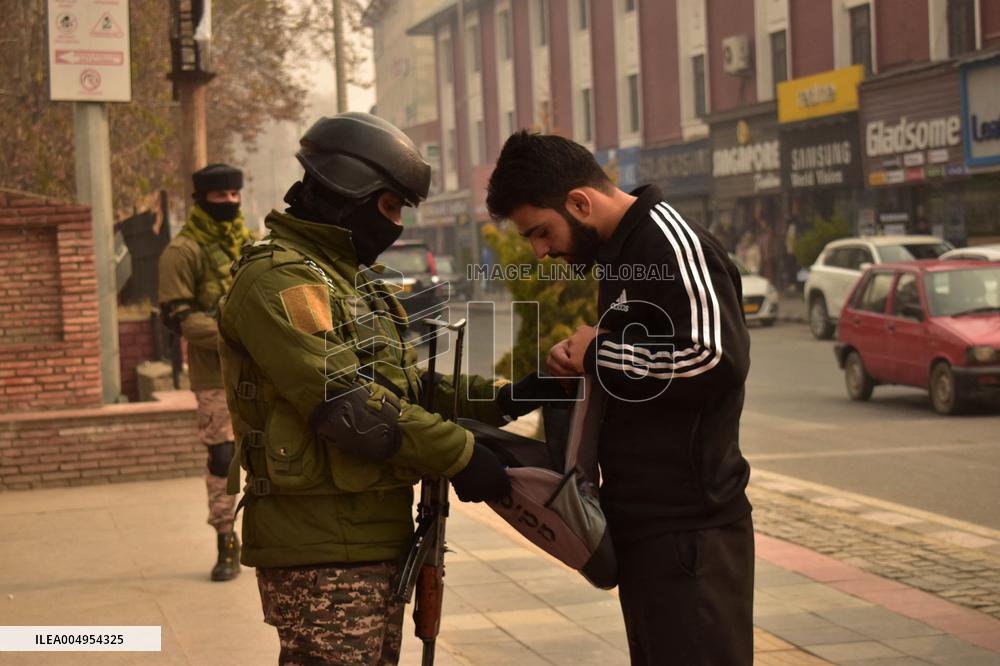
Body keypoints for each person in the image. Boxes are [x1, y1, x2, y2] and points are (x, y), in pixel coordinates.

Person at [217, 112, 561, 665]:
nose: (397, 225)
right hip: (321, 545)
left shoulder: (350, 281)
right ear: (347, 192)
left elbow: (404, 385)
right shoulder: (283, 281)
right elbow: (349, 406)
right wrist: (462, 454)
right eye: (391, 206)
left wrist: (504, 397)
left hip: (370, 533)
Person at [486, 131, 754, 665]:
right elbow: (642, 369)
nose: (540, 251)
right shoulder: (620, 254)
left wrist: (600, 354)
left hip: (692, 532)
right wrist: (577, 366)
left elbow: (714, 358)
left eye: (541, 232)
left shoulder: (671, 243)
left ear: (580, 203)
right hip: (645, 526)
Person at [158, 163, 251, 582]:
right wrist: (233, 336)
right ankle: (226, 540)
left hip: (260, 371)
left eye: (234, 195)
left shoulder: (250, 244)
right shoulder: (183, 251)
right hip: (214, 375)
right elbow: (176, 315)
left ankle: (270, 537)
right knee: (223, 458)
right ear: (201, 200)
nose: (229, 202)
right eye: (220, 196)